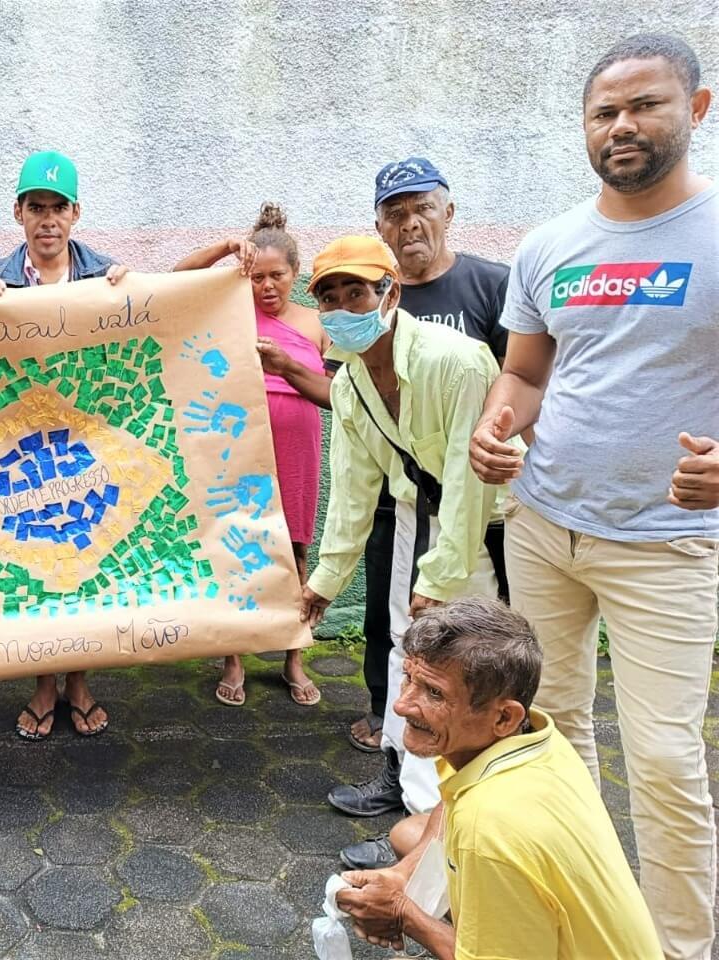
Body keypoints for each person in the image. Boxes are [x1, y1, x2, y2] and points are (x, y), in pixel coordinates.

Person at [470, 34, 716, 960]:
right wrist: (499, 426)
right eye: (604, 112)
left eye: (645, 105)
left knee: (662, 763)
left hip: (666, 544)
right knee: (550, 738)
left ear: (695, 110)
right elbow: (526, 374)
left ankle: (681, 946)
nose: (622, 126)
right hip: (543, 528)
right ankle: (580, 922)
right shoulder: (550, 246)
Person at [298, 236, 510, 866]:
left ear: (390, 292)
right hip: (418, 516)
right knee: (405, 654)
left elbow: (469, 477)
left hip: (484, 525)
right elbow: (355, 492)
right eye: (329, 297)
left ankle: (448, 837)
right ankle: (409, 792)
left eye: (356, 292)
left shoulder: (458, 361)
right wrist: (325, 581)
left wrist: (444, 574)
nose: (342, 307)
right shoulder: (350, 383)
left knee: (459, 670)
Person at [336, 597, 662, 960]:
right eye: (409, 679)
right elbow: (451, 802)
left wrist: (403, 913)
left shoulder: (488, 827)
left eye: (434, 693)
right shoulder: (537, 738)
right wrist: (402, 877)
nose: (401, 705)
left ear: (504, 717)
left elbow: (481, 831)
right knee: (408, 836)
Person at [348, 158, 513, 760]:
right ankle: (398, 759)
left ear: (449, 212)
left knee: (480, 641)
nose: (410, 223)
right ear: (380, 228)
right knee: (399, 632)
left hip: (487, 501)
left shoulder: (491, 286)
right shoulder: (365, 303)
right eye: (395, 213)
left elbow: (520, 381)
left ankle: (480, 766)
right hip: (408, 499)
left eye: (422, 207)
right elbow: (357, 399)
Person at [0, 149, 128, 739]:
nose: (47, 219)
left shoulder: (106, 275)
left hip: (89, 442)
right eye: (36, 206)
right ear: (19, 212)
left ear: (75, 213)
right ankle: (43, 684)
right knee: (39, 566)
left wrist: (128, 292)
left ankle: (80, 682)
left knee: (86, 561)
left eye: (57, 207)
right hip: (24, 444)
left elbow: (140, 330)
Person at [173, 202, 331, 707]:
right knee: (239, 541)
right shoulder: (231, 310)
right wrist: (223, 249)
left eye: (277, 276)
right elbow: (174, 283)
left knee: (296, 550)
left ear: (295, 274)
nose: (267, 287)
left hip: (299, 442)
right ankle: (234, 656)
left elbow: (334, 388)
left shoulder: (315, 322)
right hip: (240, 440)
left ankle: (293, 655)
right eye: (257, 276)